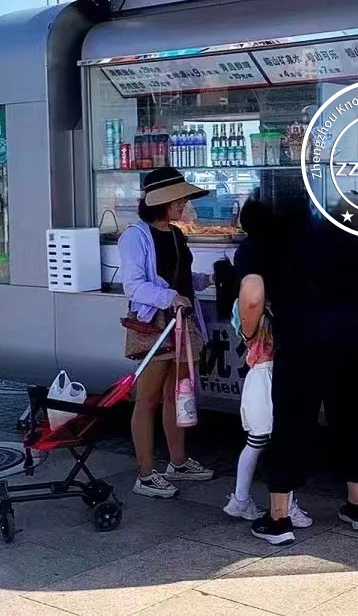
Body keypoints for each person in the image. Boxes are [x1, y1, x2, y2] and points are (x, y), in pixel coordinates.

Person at [249, 182, 358, 545]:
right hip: (353, 329)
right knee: (353, 414)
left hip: (302, 333)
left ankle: (278, 518)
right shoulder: (348, 234)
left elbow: (255, 294)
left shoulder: (276, 242)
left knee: (292, 419)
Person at [119, 166, 216, 498]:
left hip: (180, 322)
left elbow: (181, 277)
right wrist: (170, 297)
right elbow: (133, 286)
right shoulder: (135, 236)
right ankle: (145, 474)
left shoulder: (176, 234)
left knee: (177, 396)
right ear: (159, 201)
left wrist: (204, 281)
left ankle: (177, 461)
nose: (183, 203)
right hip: (155, 326)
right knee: (147, 399)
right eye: (178, 198)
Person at [221, 197, 311, 532]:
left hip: (260, 372)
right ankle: (284, 507)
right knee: (280, 443)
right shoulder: (284, 262)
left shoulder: (248, 260)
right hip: (272, 372)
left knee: (259, 442)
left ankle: (241, 499)